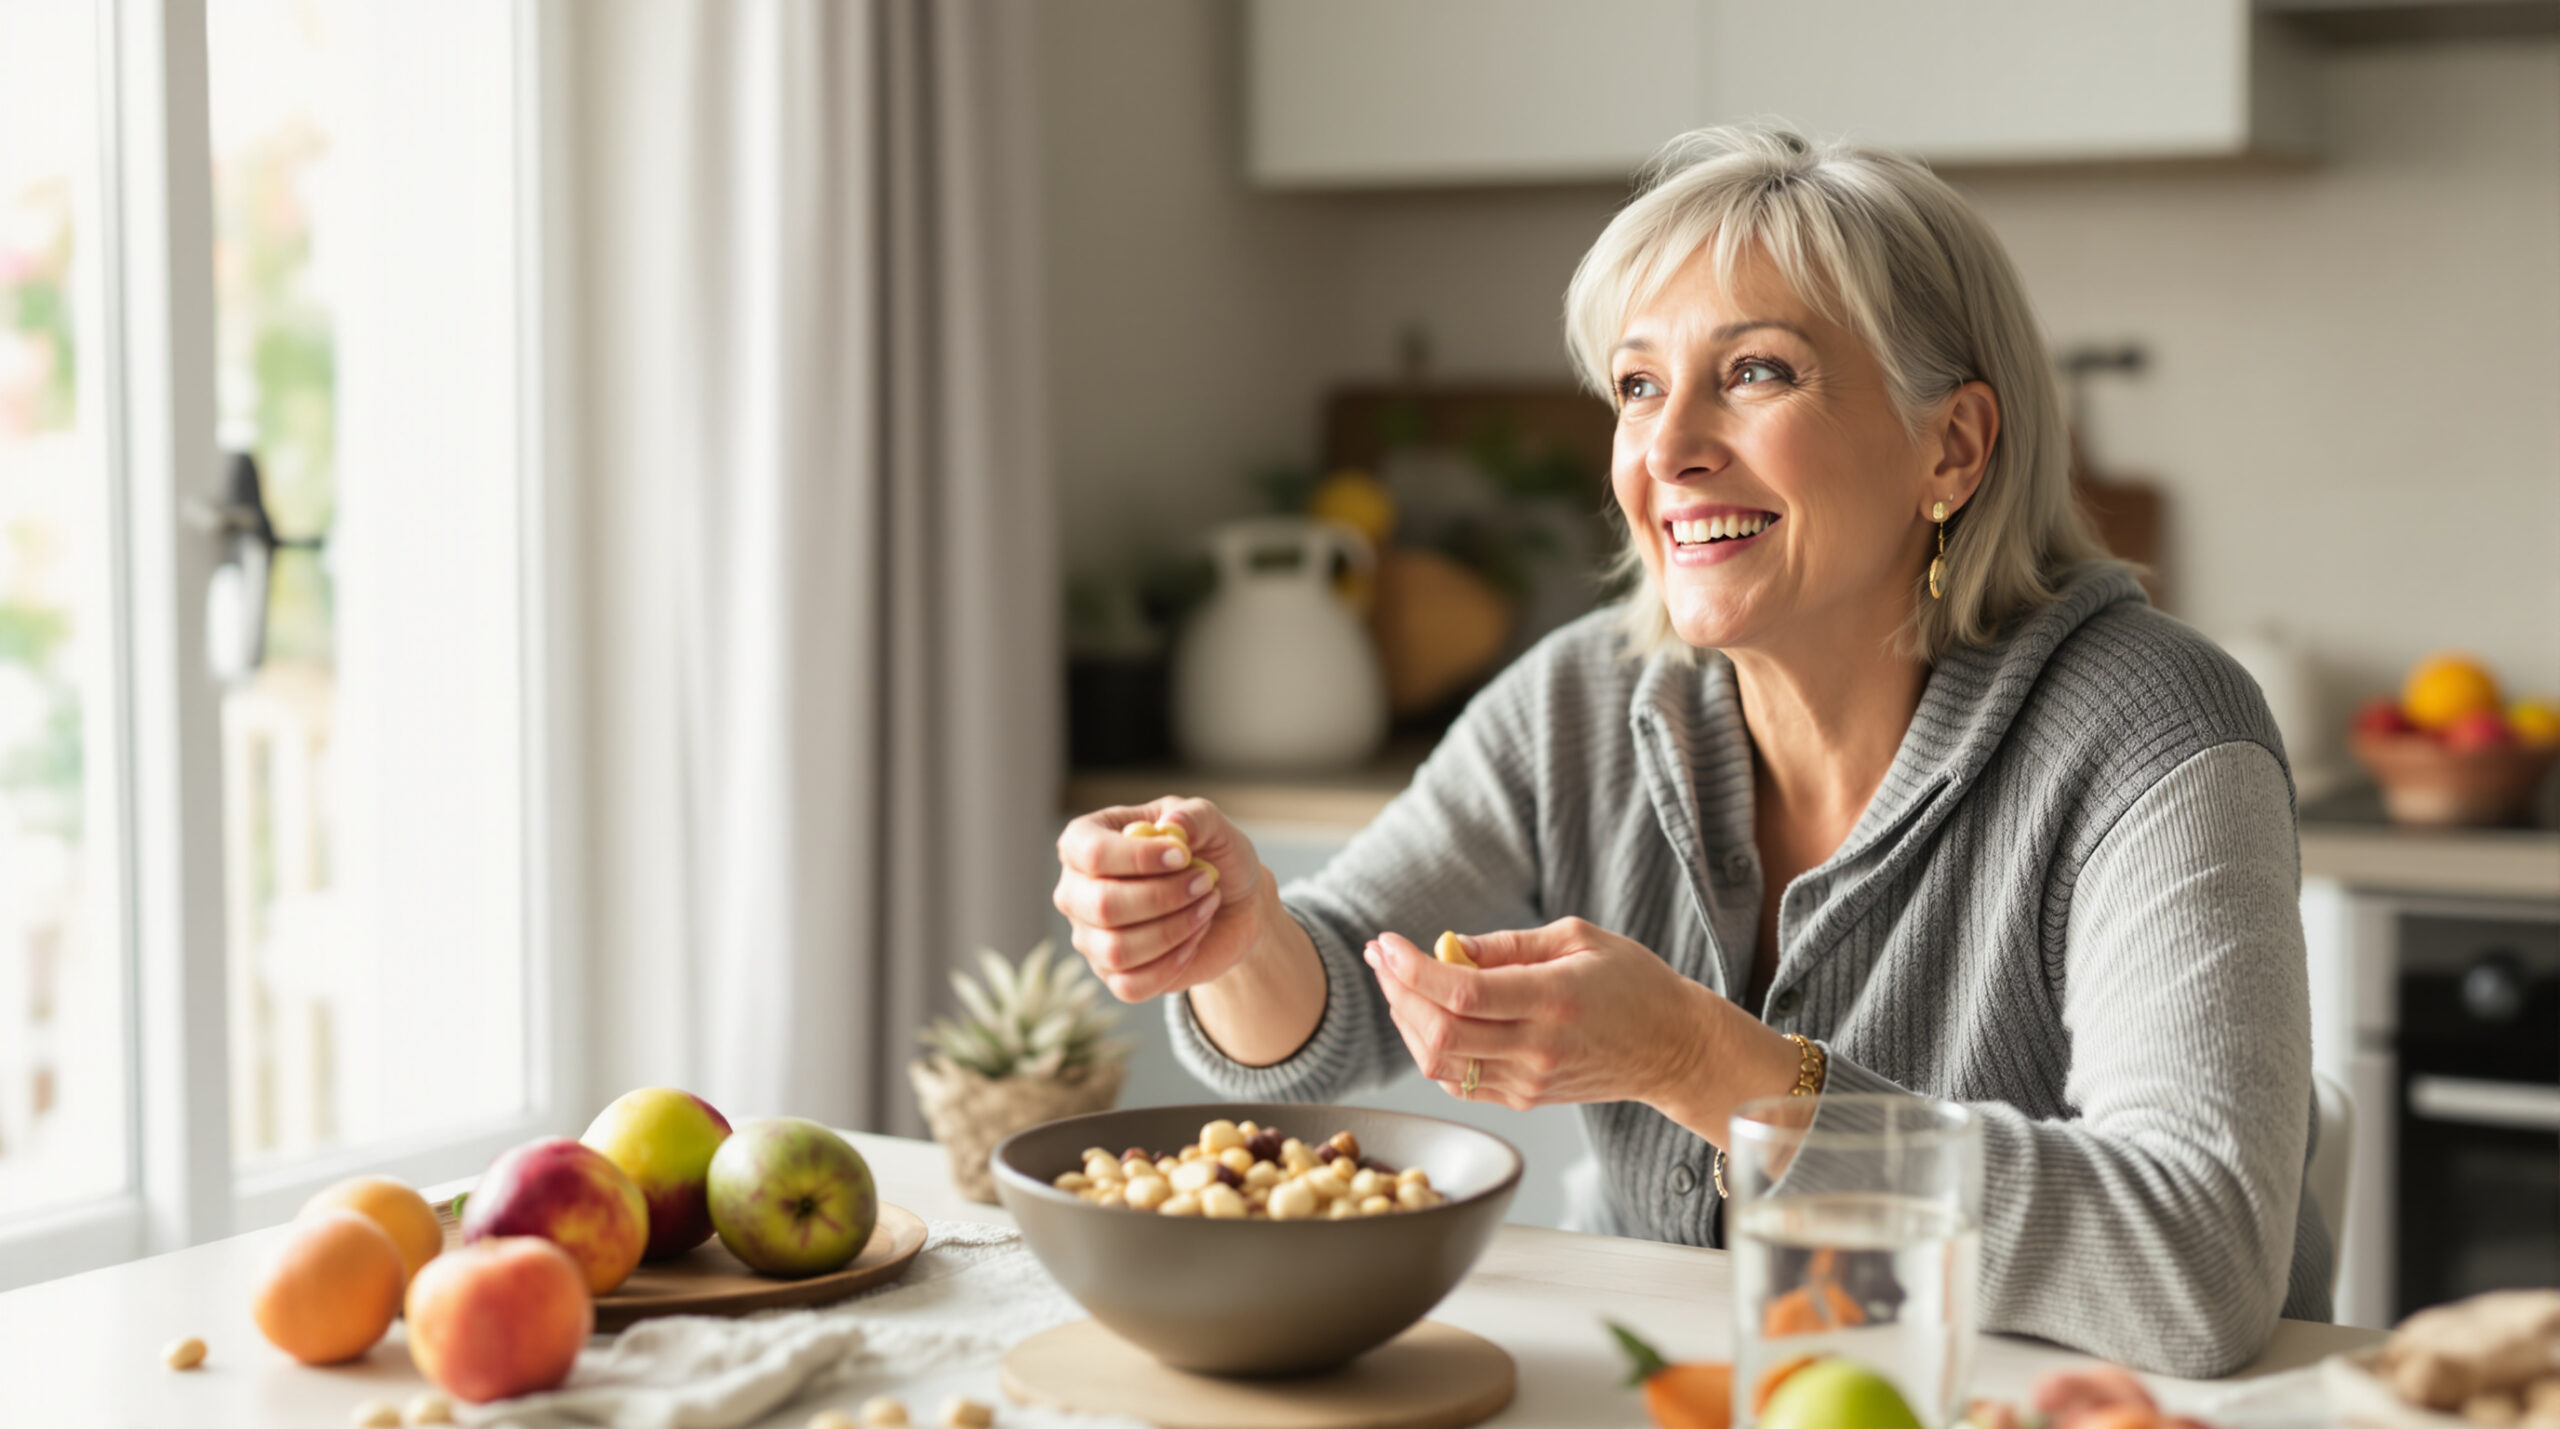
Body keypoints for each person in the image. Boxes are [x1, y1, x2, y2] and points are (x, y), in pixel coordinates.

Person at [1050, 125, 2329, 1377]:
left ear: (1952, 447)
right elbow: (1326, 998)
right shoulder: (1587, 699)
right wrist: (1233, 936)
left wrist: (1698, 1063)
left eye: (1757, 372)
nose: (1665, 451)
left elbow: (2196, 1258)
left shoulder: (2151, 731)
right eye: (1638, 385)